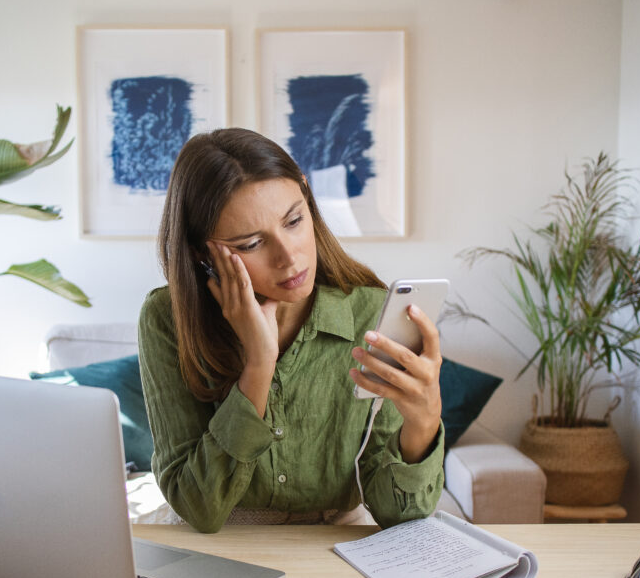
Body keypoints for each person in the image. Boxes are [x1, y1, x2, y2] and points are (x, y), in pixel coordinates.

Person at [138, 128, 444, 533]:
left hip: (333, 541)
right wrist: (258, 365)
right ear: (201, 254)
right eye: (251, 244)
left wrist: (423, 423)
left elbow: (398, 517)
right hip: (219, 542)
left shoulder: (371, 313)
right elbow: (199, 507)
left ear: (306, 195)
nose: (289, 257)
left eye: (294, 220)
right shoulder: (167, 318)